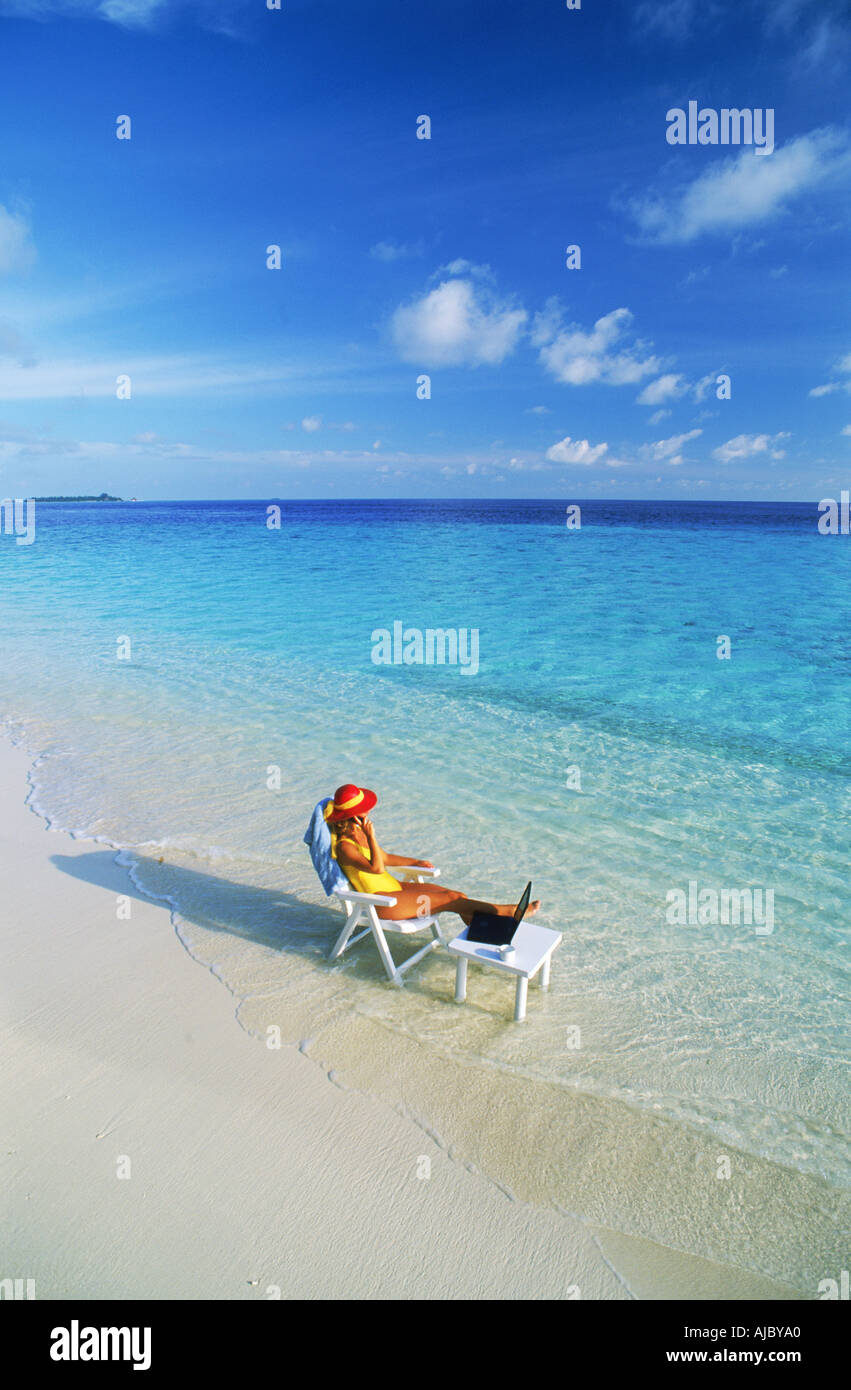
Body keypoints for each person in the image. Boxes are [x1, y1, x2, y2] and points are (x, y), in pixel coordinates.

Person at [325, 783, 540, 923]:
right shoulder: (345, 847)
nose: (369, 810)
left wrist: (416, 861)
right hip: (382, 904)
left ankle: (486, 932)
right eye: (364, 808)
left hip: (395, 890)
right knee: (450, 900)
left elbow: (386, 858)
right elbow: (377, 867)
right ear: (353, 816)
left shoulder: (358, 836)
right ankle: (507, 912)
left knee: (458, 896)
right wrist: (371, 835)